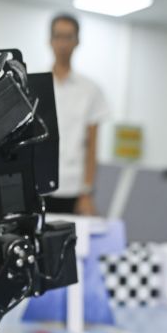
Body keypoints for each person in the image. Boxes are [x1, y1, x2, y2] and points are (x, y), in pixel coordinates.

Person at [46, 13, 109, 215]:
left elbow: (92, 145)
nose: (63, 44)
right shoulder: (36, 84)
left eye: (68, 37)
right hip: (40, 187)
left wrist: (87, 192)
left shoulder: (91, 90)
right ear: (50, 40)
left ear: (77, 41)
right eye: (58, 36)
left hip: (74, 188)